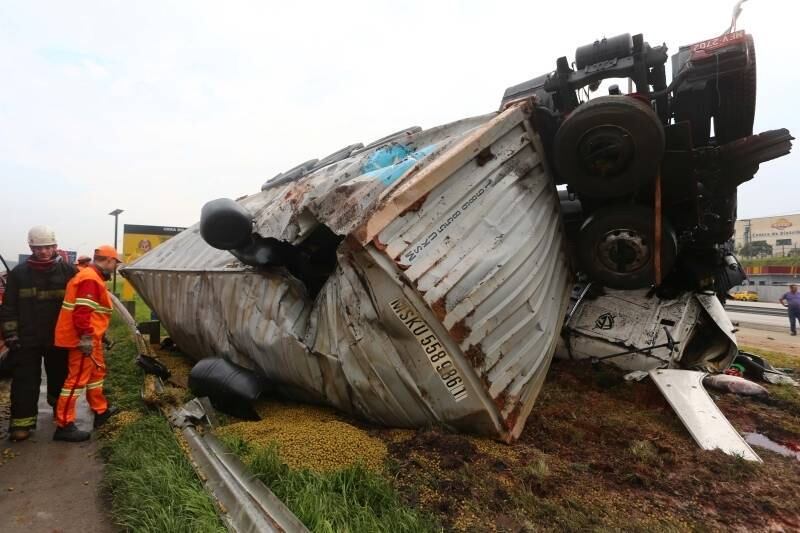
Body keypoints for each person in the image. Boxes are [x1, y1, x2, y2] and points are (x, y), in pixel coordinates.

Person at [0, 226, 76, 441]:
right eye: (38, 248)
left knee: (59, 377)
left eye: (47, 247)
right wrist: (11, 335)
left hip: (58, 338)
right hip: (26, 339)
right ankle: (21, 425)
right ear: (31, 247)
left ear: (55, 247)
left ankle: (60, 414)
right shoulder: (19, 274)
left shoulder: (69, 272)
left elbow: (78, 306)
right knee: (25, 381)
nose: (43, 252)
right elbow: (8, 308)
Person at [53, 245, 121, 442]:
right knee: (76, 382)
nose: (115, 267)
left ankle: (101, 411)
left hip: (90, 337)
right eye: (115, 263)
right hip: (82, 340)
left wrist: (100, 335)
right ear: (109, 260)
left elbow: (92, 313)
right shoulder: (90, 279)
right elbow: (82, 313)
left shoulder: (90, 276)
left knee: (96, 374)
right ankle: (64, 425)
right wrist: (86, 338)